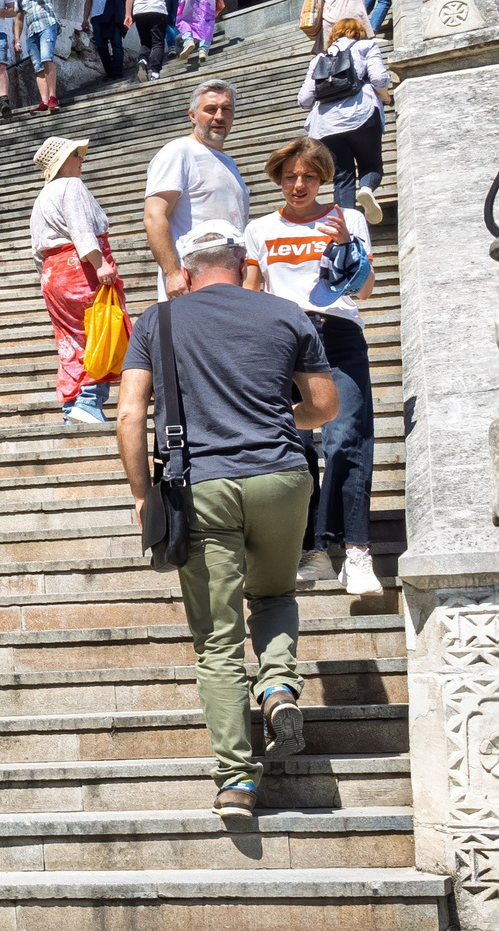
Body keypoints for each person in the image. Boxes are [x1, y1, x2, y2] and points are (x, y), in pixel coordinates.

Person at [116, 219, 339, 819]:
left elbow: (130, 414)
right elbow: (324, 406)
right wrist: (274, 423)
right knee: (274, 594)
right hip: (283, 478)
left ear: (185, 274)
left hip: (202, 485)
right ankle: (278, 686)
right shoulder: (287, 314)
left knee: (217, 639)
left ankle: (237, 781)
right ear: (242, 266)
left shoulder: (157, 322)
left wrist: (141, 494)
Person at [243, 138, 380, 597]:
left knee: (347, 437)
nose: (298, 185)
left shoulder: (349, 219)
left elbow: (365, 290)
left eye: (308, 176)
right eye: (289, 177)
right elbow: (251, 291)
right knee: (293, 445)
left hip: (338, 333)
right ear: (277, 179)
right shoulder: (260, 229)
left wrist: (345, 243)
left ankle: (356, 550)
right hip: (283, 338)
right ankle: (310, 549)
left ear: (322, 178)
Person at [31, 134, 123, 425]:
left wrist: (48, 277)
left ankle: (72, 407)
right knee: (100, 331)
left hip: (53, 273)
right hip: (80, 268)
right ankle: (89, 400)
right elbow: (81, 229)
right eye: (75, 155)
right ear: (61, 162)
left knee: (69, 340)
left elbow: (37, 251)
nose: (81, 159)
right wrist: (100, 263)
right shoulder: (71, 186)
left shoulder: (41, 198)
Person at [143, 81, 248, 298]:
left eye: (226, 109)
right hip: (193, 279)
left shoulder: (228, 162)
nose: (219, 116)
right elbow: (154, 216)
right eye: (210, 109)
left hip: (229, 279)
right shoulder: (179, 151)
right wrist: (173, 273)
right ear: (192, 116)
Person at [300, 18, 395, 222]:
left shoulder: (318, 59)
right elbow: (379, 79)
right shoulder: (366, 46)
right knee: (371, 164)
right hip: (362, 116)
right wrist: (386, 98)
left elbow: (304, 99)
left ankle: (346, 223)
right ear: (359, 32)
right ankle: (367, 189)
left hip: (326, 126)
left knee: (342, 176)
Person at [9, 0, 65, 112]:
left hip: (47, 24)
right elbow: (19, 19)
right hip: (31, 31)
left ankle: (53, 97)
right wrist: (17, 39)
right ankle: (44, 101)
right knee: (37, 66)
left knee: (46, 58)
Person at [81, 0, 130, 82]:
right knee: (101, 46)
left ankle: (118, 72)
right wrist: (85, 19)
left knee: (116, 43)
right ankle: (109, 72)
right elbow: (88, 1)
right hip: (97, 16)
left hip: (114, 15)